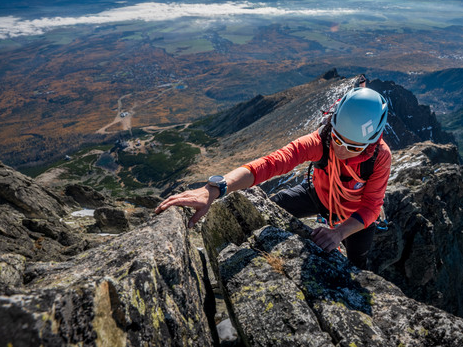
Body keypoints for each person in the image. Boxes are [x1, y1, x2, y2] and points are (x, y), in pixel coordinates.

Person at [155, 86, 392, 269]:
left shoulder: (379, 157)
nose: (341, 150)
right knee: (266, 211)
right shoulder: (322, 140)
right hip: (318, 195)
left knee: (356, 265)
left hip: (354, 215)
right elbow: (269, 164)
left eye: (353, 147)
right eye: (338, 139)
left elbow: (371, 206)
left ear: (372, 142)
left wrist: (339, 233)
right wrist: (214, 188)